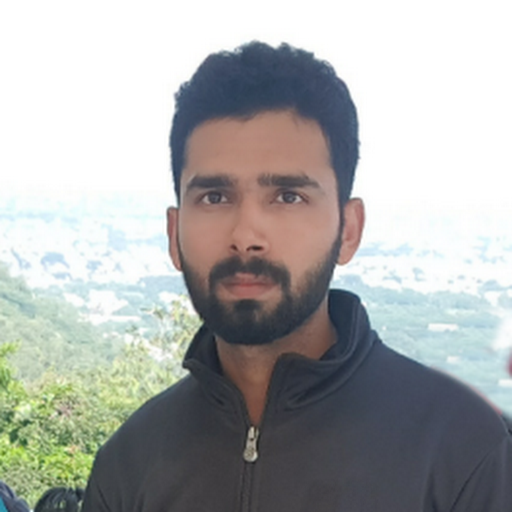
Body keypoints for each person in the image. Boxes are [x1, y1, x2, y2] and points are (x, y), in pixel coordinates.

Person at [82, 42, 512, 511]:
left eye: (288, 196)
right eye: (214, 197)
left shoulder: (462, 451)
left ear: (348, 230)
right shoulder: (130, 465)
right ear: (174, 232)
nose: (245, 236)